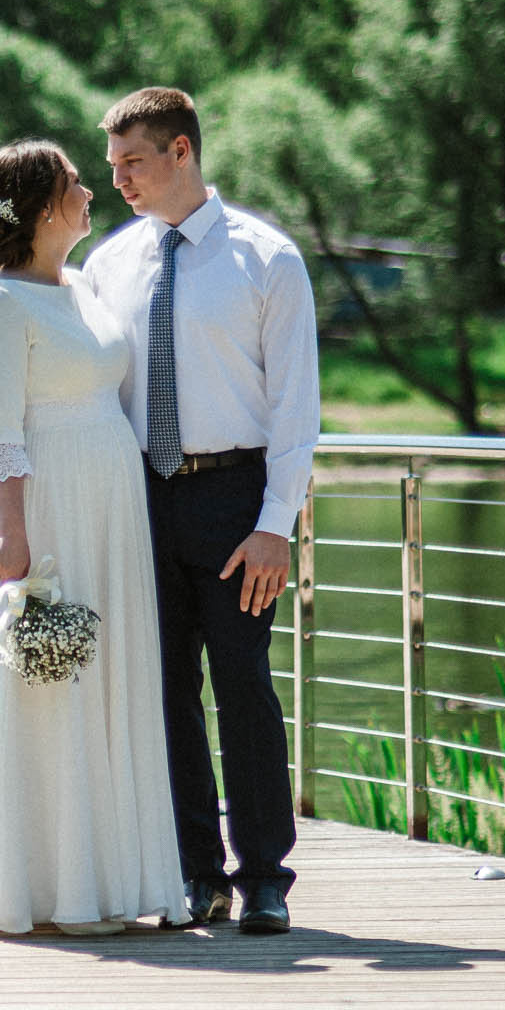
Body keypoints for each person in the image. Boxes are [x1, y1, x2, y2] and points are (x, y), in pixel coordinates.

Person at [85, 87, 320, 935]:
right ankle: (196, 872)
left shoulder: (268, 260)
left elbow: (297, 405)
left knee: (244, 683)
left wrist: (275, 523)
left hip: (235, 498)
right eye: (112, 166)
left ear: (181, 151)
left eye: (132, 161)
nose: (119, 180)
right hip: (140, 495)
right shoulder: (110, 264)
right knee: (165, 689)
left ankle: (264, 877)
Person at [0, 140, 188, 936]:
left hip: (109, 508)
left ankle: (113, 875)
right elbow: (1, 435)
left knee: (104, 680)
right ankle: (45, 885)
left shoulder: (79, 288)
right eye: (77, 182)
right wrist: (13, 540)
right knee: (49, 688)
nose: (92, 190)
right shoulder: (1, 307)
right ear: (46, 207)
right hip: (45, 507)